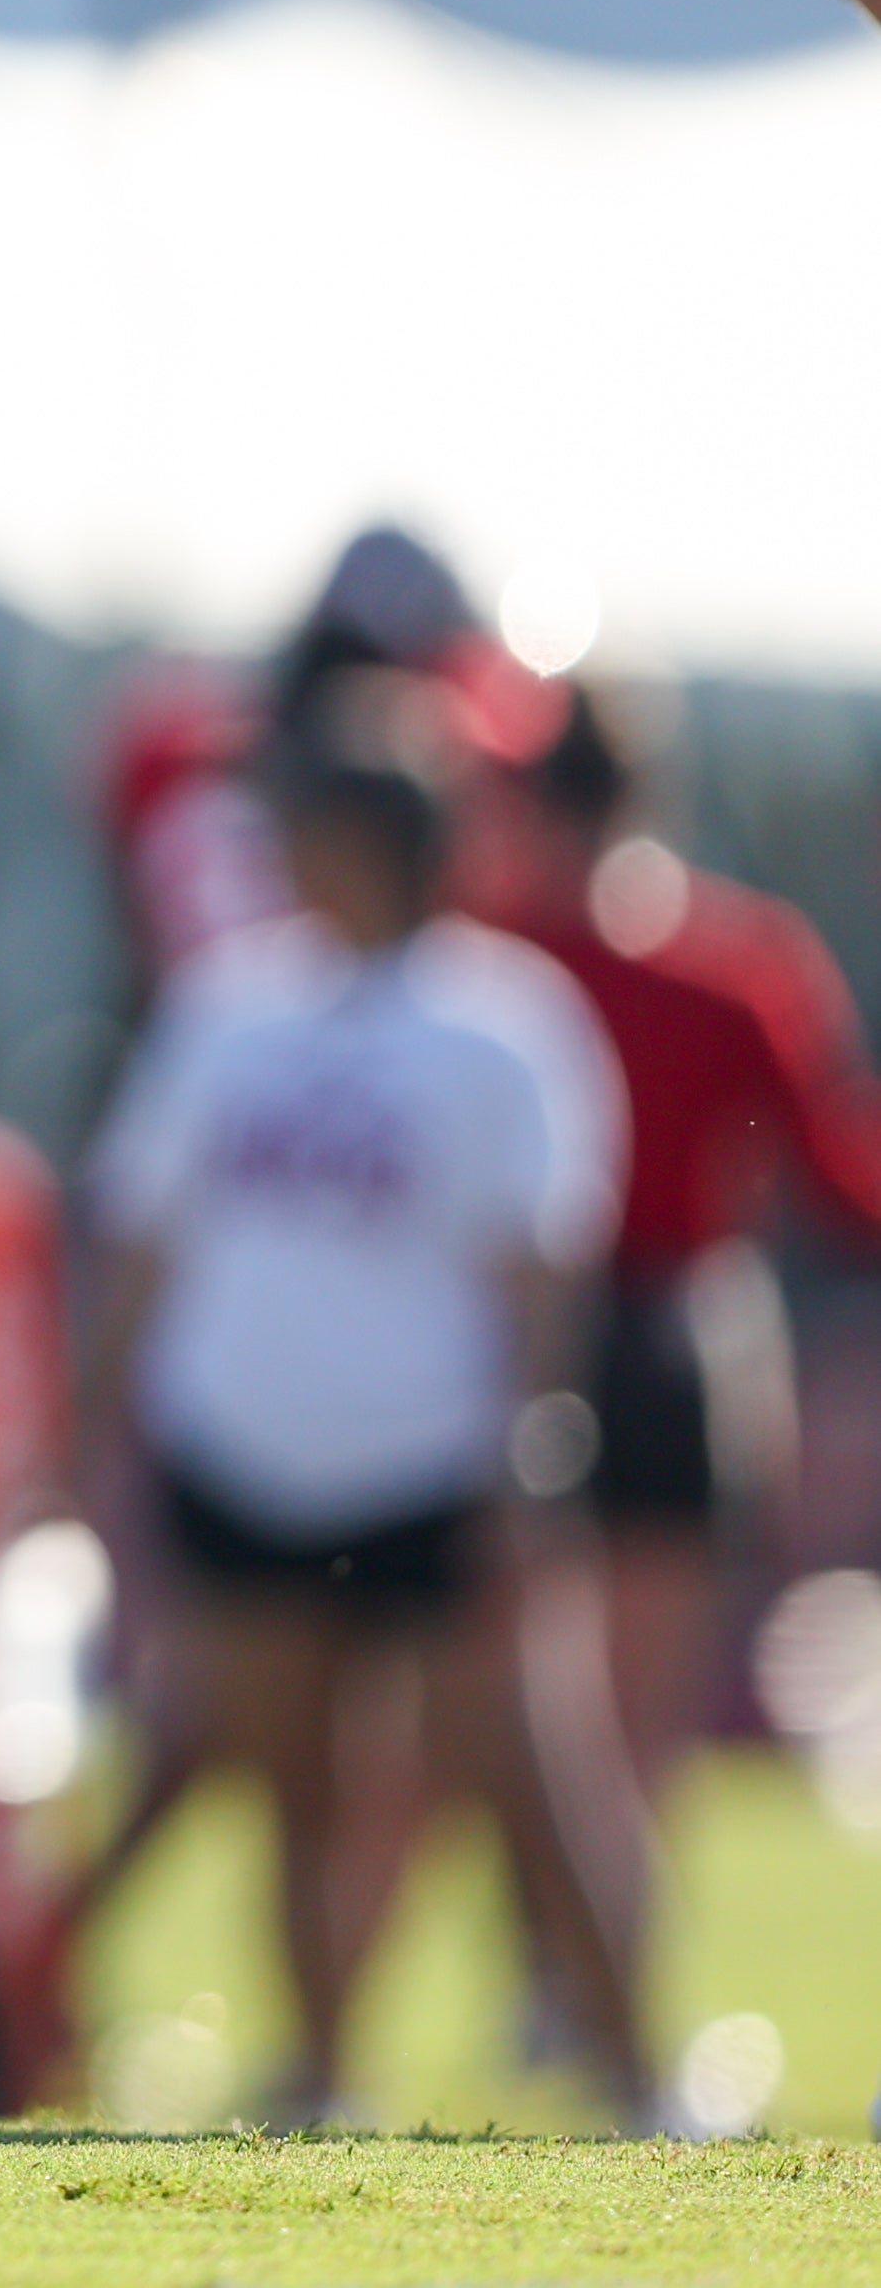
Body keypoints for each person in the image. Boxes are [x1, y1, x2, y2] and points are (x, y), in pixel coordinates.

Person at [79, 677, 653, 2125]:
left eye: (313, 830)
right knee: (297, 1783)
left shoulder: (507, 1021)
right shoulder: (227, 1003)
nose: (284, 855)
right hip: (244, 1452)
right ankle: (323, 2073)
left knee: (529, 1777)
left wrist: (540, 1453)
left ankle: (642, 2081)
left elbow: (541, 1267)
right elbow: (147, 1232)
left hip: (435, 1461)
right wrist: (89, 1432)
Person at [474, 689, 881, 1829]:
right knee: (634, 1715)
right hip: (664, 1341)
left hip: (510, 1346)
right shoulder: (735, 962)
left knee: (517, 1695)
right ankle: (579, 1987)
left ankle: (545, 1974)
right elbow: (840, 1184)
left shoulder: (487, 951)